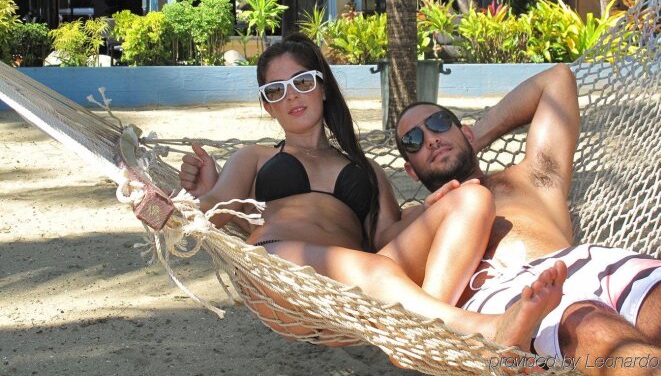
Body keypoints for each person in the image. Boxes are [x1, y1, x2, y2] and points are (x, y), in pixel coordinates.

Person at [179, 33, 566, 351]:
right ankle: (479, 330)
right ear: (268, 106)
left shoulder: (366, 170)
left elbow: (386, 238)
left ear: (322, 88)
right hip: (280, 276)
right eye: (276, 91)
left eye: (302, 82)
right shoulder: (255, 157)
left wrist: (429, 209)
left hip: (351, 299)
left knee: (473, 197)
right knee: (380, 271)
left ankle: (420, 339)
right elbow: (215, 207)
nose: (292, 96)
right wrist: (186, 201)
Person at [395, 63, 661, 372]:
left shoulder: (532, 177)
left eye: (440, 123)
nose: (431, 139)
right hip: (512, 303)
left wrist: (471, 140)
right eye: (413, 140)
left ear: (466, 132)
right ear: (411, 171)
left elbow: (557, 80)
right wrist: (430, 213)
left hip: (590, 261)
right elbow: (374, 265)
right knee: (591, 327)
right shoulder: (414, 224)